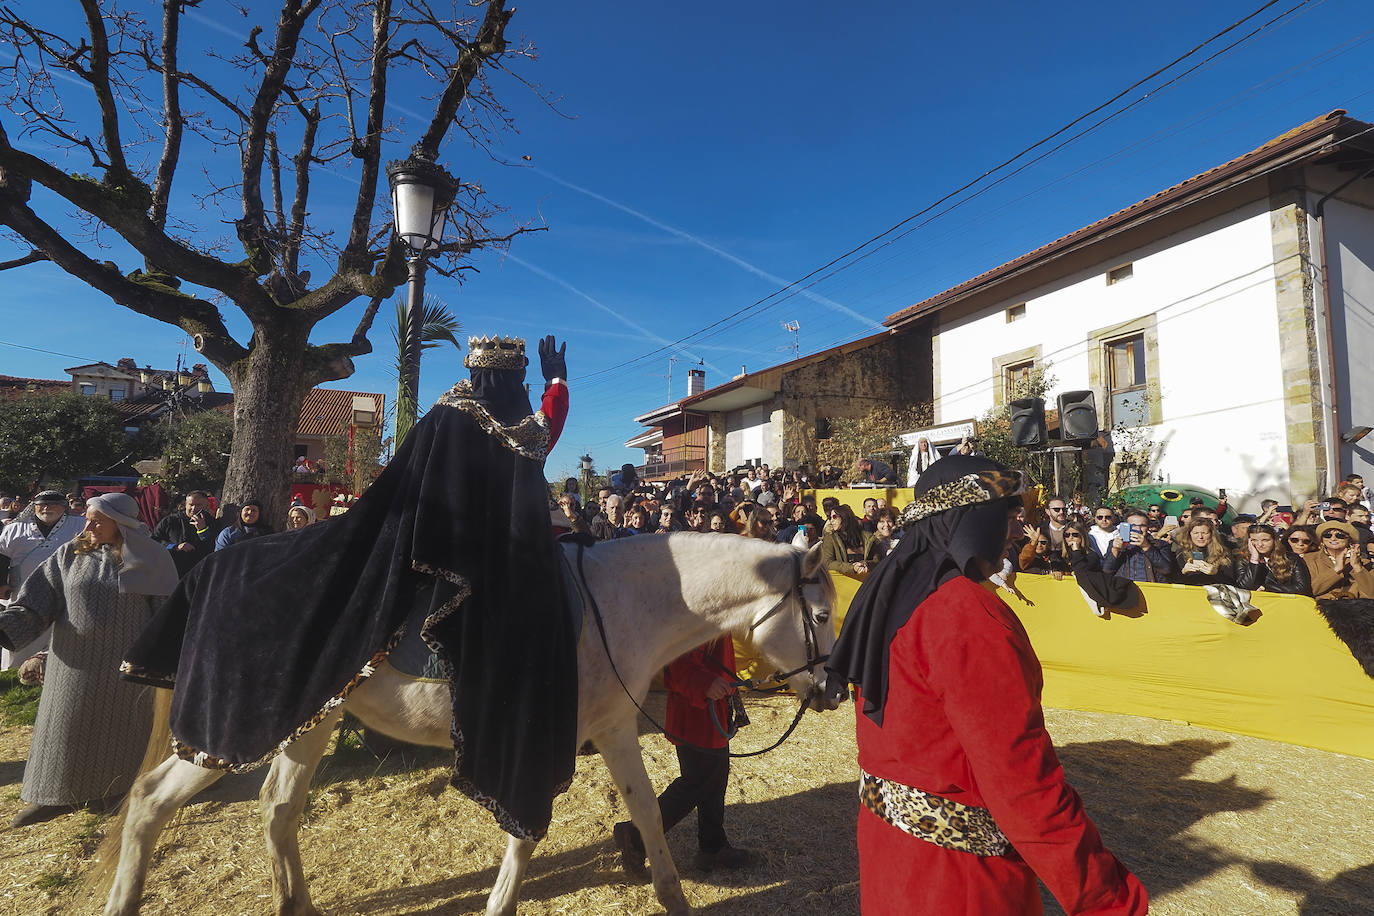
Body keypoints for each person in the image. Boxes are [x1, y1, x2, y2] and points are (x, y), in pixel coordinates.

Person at [121, 334, 578, 842]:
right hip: (472, 556)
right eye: (518, 382)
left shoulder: (446, 412)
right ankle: (506, 715)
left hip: (418, 539)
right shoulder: (505, 423)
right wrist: (555, 381)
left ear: (473, 374)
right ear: (514, 381)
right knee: (526, 623)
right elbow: (543, 433)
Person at [825, 455, 1147, 915]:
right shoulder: (967, 614)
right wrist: (1108, 900)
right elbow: (1022, 785)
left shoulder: (891, 590)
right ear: (971, 520)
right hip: (961, 884)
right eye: (1009, 517)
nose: (1017, 532)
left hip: (891, 857)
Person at [0, 493, 178, 827]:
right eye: (87, 518)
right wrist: (7, 626)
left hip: (126, 668)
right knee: (63, 729)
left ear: (121, 523)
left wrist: (161, 661)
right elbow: (37, 600)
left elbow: (167, 615)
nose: (88, 525)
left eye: (97, 520)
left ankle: (114, 792)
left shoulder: (152, 557)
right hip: (72, 663)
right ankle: (52, 797)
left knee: (120, 732)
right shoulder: (69, 554)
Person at [612, 636, 757, 876]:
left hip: (714, 710)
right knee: (696, 784)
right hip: (695, 713)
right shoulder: (697, 611)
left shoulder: (719, 610)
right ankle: (636, 836)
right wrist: (705, 683)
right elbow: (676, 664)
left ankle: (712, 846)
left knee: (716, 779)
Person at [0, 491, 86, 668]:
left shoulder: (81, 525)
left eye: (53, 504)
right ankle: (15, 672)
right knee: (20, 630)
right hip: (23, 591)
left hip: (65, 591)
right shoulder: (15, 528)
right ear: (34, 506)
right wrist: (1, 583)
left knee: (61, 634)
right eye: (42, 504)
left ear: (64, 506)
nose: (47, 508)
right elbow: (2, 557)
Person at [152, 490, 223, 577]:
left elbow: (215, 547)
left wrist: (203, 530)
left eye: (198, 505)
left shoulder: (213, 523)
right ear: (186, 504)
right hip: (173, 572)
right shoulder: (170, 521)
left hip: (201, 573)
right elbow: (154, 541)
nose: (194, 508)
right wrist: (175, 547)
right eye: (191, 505)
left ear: (206, 505)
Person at [1304, 520, 1374, 600]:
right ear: (1322, 539)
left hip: (1353, 609)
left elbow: (1370, 595)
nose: (1333, 538)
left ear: (1350, 540)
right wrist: (1336, 570)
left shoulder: (1365, 563)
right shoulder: (1309, 559)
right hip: (1319, 607)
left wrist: (1357, 568)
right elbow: (1308, 590)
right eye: (1327, 535)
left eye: (1340, 535)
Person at [1234, 524, 1311, 595]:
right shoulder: (1243, 560)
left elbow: (1302, 588)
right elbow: (1245, 588)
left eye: (1265, 540)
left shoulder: (1291, 558)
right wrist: (1254, 560)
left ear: (1274, 540)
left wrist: (1268, 588)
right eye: (1254, 540)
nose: (1260, 544)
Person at [1102, 509, 1174, 583]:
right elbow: (1107, 571)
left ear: (1148, 527)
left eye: (1142, 526)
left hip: (1151, 589)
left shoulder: (1159, 544)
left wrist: (1147, 547)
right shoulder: (1115, 543)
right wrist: (1115, 550)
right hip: (1124, 588)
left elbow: (1166, 570)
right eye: (1133, 525)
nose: (1137, 529)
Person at [1171, 518, 1235, 586]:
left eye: (1204, 533)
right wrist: (1183, 572)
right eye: (1196, 533)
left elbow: (1232, 583)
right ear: (1190, 534)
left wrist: (1216, 573)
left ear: (1211, 534)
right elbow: (1172, 582)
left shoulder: (1223, 553)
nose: (1200, 537)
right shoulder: (1181, 553)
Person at [822, 504, 868, 577]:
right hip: (844, 583)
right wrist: (852, 568)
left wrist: (865, 564)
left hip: (865, 581)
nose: (831, 521)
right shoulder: (830, 538)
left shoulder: (866, 537)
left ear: (844, 517)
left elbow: (876, 560)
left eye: (834, 517)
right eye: (830, 518)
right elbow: (827, 563)